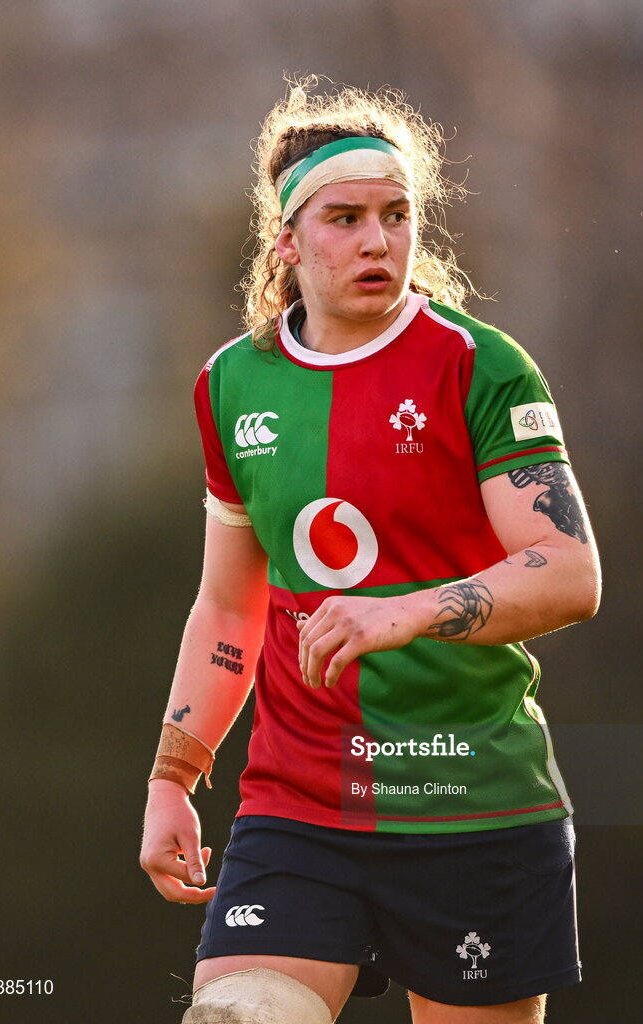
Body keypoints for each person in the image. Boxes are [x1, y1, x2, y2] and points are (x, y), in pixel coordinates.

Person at [140, 78, 601, 1024]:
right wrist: (173, 776)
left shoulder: (480, 365)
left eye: (396, 216)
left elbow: (570, 570)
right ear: (286, 241)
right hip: (298, 802)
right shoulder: (232, 385)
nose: (377, 241)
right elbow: (229, 607)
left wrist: (410, 609)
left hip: (471, 800)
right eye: (345, 218)